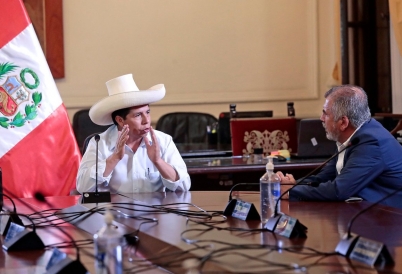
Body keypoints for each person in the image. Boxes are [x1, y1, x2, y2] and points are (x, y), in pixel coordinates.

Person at [277, 85, 402, 209]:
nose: (321, 118)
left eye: (325, 114)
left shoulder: (370, 143)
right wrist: (294, 185)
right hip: (369, 215)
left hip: (390, 220)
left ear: (343, 122)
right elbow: (324, 178)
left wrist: (290, 191)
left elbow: (339, 190)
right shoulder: (355, 136)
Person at [76, 74, 191, 193]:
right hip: (113, 211)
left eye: (147, 112)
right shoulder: (99, 143)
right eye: (138, 115)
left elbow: (184, 187)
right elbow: (83, 188)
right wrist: (114, 158)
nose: (146, 120)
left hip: (155, 210)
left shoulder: (164, 141)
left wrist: (158, 161)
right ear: (120, 120)